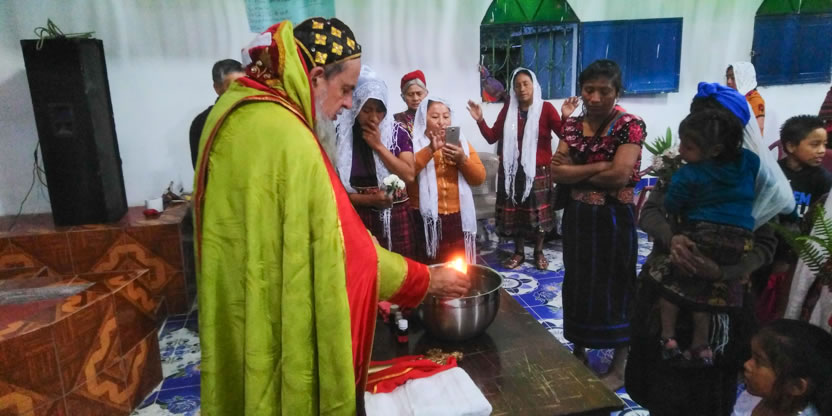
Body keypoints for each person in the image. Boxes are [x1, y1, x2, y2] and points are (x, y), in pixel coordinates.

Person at [192, 19, 469, 415]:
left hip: (244, 292)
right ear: (317, 77)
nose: (348, 104)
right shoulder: (288, 134)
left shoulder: (237, 108)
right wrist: (424, 279)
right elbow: (345, 249)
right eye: (346, 90)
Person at [626, 87, 783, 416]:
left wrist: (726, 271)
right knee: (661, 389)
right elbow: (651, 212)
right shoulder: (682, 163)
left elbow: (766, 243)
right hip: (666, 292)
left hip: (720, 304)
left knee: (704, 396)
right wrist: (673, 238)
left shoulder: (754, 177)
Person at [550, 59, 646, 390]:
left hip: (613, 219)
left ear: (617, 92)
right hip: (578, 218)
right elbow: (556, 172)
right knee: (578, 281)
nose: (594, 98)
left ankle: (619, 365)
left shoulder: (630, 125)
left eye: (604, 91)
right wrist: (600, 165)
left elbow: (620, 175)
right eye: (588, 90)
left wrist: (578, 171)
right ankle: (579, 351)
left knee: (616, 283)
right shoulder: (573, 125)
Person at [653, 109, 759, 367]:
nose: (680, 150)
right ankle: (701, 346)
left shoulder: (689, 173)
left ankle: (667, 338)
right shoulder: (749, 161)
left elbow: (672, 204)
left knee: (671, 285)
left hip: (703, 235)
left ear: (714, 150)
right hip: (740, 241)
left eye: (687, 147)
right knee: (705, 291)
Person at [467, 67, 577, 270]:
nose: (522, 88)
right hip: (511, 172)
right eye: (517, 85)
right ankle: (519, 252)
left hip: (538, 171)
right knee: (516, 214)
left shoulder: (545, 109)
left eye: (526, 84)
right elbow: (492, 136)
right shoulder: (508, 110)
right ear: (513, 89)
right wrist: (480, 120)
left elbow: (565, 136)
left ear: (534, 86)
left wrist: (565, 117)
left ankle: (538, 251)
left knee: (539, 216)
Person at [335, 66, 416, 258]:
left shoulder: (397, 133)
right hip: (358, 217)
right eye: (366, 110)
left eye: (380, 111)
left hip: (395, 217)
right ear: (355, 106)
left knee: (401, 268)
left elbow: (409, 175)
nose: (374, 118)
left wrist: (379, 146)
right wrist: (369, 200)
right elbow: (334, 190)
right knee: (364, 267)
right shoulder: (341, 137)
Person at [411, 96, 486, 264]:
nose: (441, 122)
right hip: (425, 219)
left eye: (446, 116)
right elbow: (407, 174)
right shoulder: (414, 144)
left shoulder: (461, 144)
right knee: (430, 267)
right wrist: (430, 150)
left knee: (456, 265)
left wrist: (462, 159)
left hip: (457, 217)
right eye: (435, 117)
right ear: (423, 119)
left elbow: (479, 178)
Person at [732, 319, 832, 416]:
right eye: (752, 356)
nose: (746, 364)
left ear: (796, 386)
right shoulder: (752, 396)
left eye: (759, 361)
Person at [188, 59, 245, 167]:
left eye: (243, 85)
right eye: (232, 86)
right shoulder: (202, 123)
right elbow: (201, 169)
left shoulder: (257, 114)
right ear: (217, 88)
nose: (240, 91)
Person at [726, 62, 765, 135]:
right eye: (727, 77)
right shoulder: (731, 98)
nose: (728, 82)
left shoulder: (755, 100)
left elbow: (758, 129)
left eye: (733, 78)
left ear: (744, 78)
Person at [393, 70, 428, 134]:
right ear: (403, 97)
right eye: (410, 94)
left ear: (426, 94)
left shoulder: (434, 117)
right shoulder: (398, 122)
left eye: (419, 94)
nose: (415, 98)